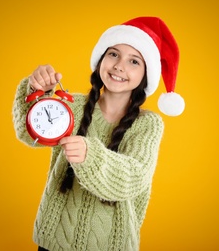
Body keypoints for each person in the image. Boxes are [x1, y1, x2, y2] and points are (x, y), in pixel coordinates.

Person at [12, 16, 184, 251]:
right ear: (101, 59)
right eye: (113, 54)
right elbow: (27, 132)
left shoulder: (147, 124)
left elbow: (133, 178)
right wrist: (36, 92)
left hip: (110, 245)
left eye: (134, 61)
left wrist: (89, 155)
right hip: (53, 239)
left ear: (145, 75)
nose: (120, 66)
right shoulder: (72, 106)